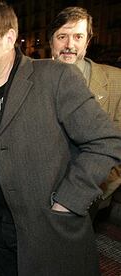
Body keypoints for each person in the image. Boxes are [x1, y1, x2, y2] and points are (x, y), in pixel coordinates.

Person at [0, 2, 121, 276]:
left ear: (9, 38)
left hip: (48, 233)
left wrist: (69, 201)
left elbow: (106, 141)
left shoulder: (54, 76)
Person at [48, 6, 121, 216]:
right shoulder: (34, 80)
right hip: (43, 195)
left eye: (78, 36)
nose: (70, 45)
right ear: (51, 42)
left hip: (91, 194)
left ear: (87, 42)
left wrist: (97, 190)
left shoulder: (116, 80)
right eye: (62, 36)